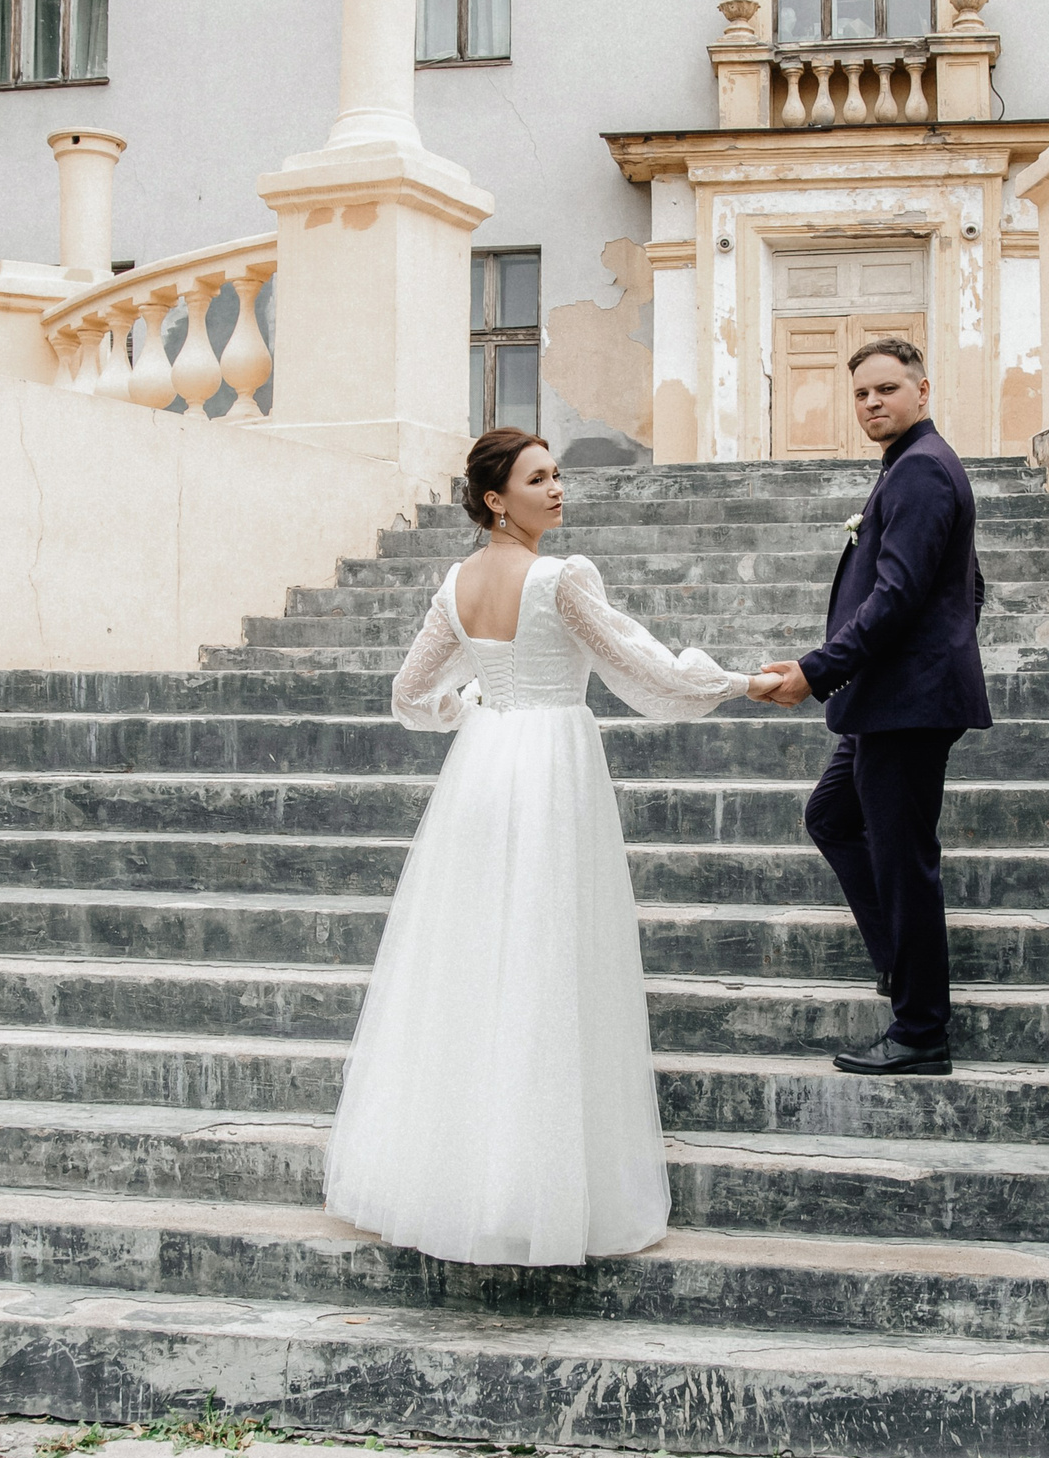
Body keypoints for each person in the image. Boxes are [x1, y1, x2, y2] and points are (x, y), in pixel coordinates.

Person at [323, 428, 783, 1266]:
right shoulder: (562, 579)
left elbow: (408, 693)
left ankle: (458, 1178)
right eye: (539, 479)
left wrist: (472, 709)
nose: (559, 489)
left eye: (558, 474)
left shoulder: (457, 583)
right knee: (547, 962)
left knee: (479, 965)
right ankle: (540, 1188)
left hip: (484, 770)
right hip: (553, 769)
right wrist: (743, 681)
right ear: (496, 498)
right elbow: (642, 666)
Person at [754, 339, 991, 1077]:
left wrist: (815, 671)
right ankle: (901, 965)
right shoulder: (910, 467)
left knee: (904, 862)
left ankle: (921, 1030)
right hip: (886, 699)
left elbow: (896, 597)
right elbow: (969, 585)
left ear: (924, 390)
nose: (872, 404)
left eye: (886, 389)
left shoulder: (921, 469)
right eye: (861, 394)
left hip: (905, 706)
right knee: (832, 816)